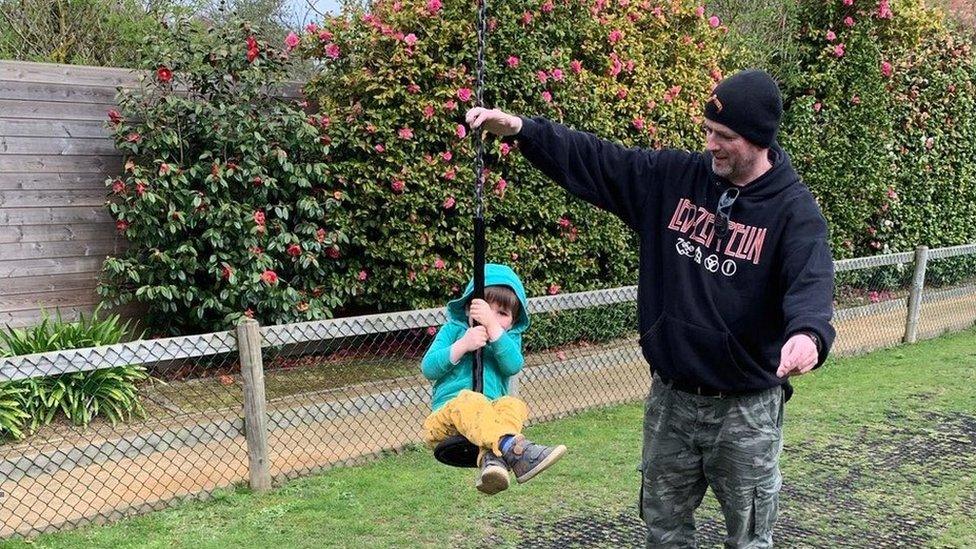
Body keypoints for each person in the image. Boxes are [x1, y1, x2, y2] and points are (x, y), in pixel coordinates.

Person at [465, 69, 835, 547]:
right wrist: (524, 131)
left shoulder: (794, 212)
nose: (711, 144)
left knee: (749, 538)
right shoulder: (673, 178)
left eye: (724, 136)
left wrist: (808, 335)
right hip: (672, 401)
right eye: (708, 131)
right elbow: (600, 159)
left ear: (760, 140)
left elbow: (811, 285)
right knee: (663, 530)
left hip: (746, 410)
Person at [421, 263, 567, 495]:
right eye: (487, 310)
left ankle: (493, 462)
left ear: (513, 320)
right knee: (470, 399)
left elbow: (513, 365)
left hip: (488, 420)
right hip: (447, 419)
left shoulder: (505, 341)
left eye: (502, 314)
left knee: (512, 404)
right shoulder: (453, 331)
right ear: (470, 308)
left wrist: (491, 326)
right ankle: (516, 450)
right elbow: (429, 368)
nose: (494, 318)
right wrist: (463, 345)